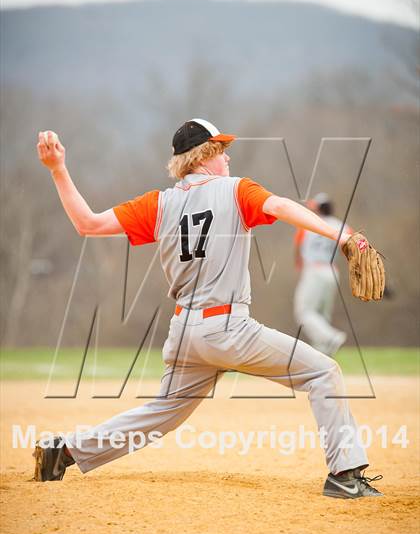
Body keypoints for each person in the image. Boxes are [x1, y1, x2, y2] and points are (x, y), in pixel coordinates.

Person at [34, 119, 382, 498]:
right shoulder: (235, 190)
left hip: (185, 334)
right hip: (229, 328)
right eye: (220, 149)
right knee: (323, 372)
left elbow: (87, 224)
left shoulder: (159, 203)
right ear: (205, 156)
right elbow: (281, 206)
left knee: (161, 415)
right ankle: (344, 476)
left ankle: (63, 452)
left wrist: (58, 170)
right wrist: (345, 236)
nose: (228, 156)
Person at [293, 193, 350, 356]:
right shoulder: (343, 226)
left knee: (304, 313)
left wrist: (298, 264)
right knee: (322, 315)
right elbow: (350, 249)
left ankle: (331, 337)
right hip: (332, 271)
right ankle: (322, 355)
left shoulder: (307, 224)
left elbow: (298, 247)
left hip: (314, 270)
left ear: (317, 208)